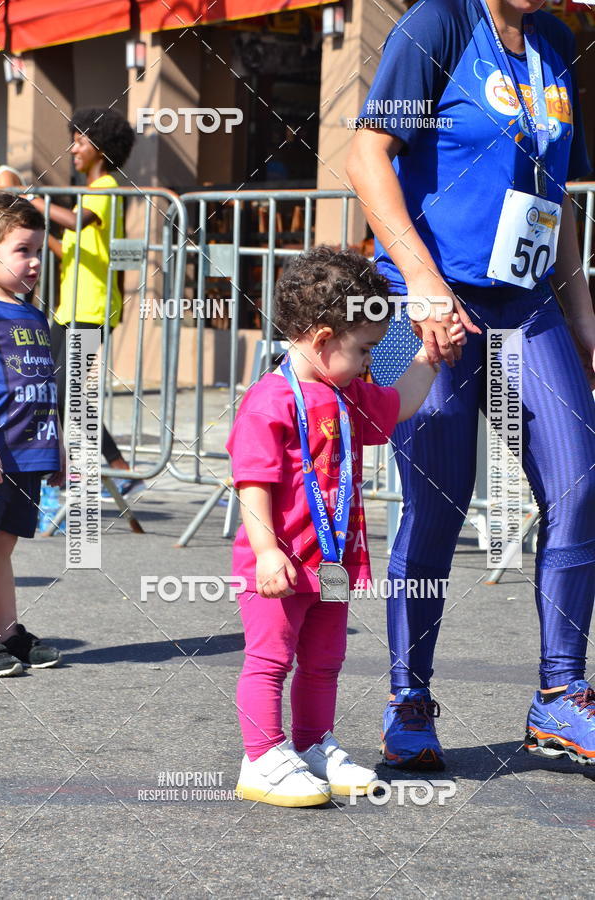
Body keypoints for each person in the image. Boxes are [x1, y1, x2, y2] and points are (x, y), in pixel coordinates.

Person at [346, 0, 595, 770]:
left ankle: (560, 696)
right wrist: (420, 283)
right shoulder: (438, 22)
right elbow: (363, 155)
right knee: (436, 505)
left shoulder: (554, 38)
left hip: (525, 303)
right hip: (424, 302)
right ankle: (408, 699)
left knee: (582, 479)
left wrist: (582, 311)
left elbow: (554, 192)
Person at [226, 246, 466, 806]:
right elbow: (252, 485)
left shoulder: (347, 392)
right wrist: (265, 551)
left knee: (324, 660)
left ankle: (312, 746)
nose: (368, 363)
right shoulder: (270, 401)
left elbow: (401, 403)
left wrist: (430, 358)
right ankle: (261, 757)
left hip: (333, 561)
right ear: (321, 337)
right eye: (363, 350)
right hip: (280, 565)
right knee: (270, 659)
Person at [30, 107, 141, 498]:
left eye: (80, 140)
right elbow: (71, 250)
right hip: (69, 308)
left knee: (63, 391)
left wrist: (37, 202)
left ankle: (82, 470)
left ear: (102, 147)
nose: (72, 148)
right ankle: (114, 467)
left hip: (92, 310)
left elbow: (81, 223)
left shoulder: (106, 188)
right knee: (57, 390)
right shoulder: (85, 196)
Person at [0, 194, 64, 677]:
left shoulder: (34, 315)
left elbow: (44, 385)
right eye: (22, 249)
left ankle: (7, 631)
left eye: (38, 249)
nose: (36, 260)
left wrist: (55, 443)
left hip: (28, 453)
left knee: (3, 547)